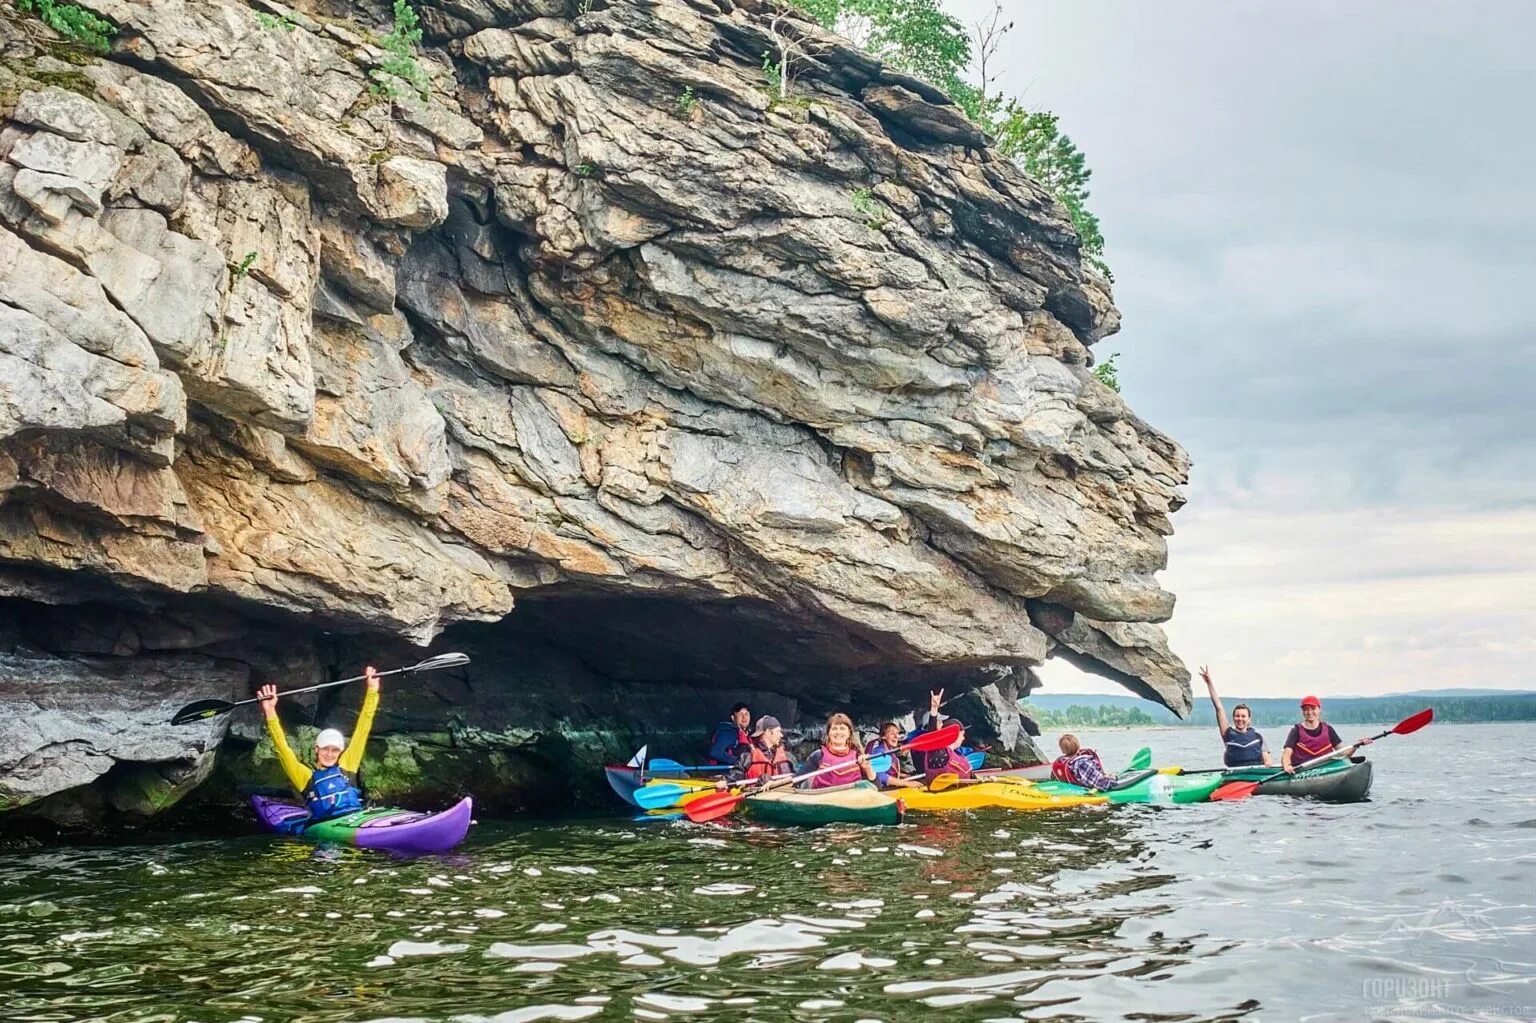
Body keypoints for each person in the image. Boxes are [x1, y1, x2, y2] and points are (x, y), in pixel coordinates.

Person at [257, 666, 380, 827]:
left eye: (334, 750)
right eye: (325, 748)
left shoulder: (348, 765)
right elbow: (282, 748)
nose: (329, 754)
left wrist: (372, 691)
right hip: (328, 829)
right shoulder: (305, 777)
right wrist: (270, 711)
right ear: (316, 749)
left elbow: (363, 727)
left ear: (340, 752)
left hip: (357, 819)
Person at [1201, 665, 1273, 767]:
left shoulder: (1258, 737)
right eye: (1237, 716)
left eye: (1243, 716)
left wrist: (1268, 765)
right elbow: (1219, 709)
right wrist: (1209, 683)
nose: (1240, 719)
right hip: (1235, 774)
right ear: (1234, 718)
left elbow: (1268, 761)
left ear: (1249, 719)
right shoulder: (1228, 734)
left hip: (1255, 775)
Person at [1283, 695, 1371, 773]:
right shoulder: (1296, 731)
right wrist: (1287, 766)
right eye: (1306, 710)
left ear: (1319, 710)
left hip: (1325, 768)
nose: (1309, 712)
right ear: (1302, 712)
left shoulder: (1328, 729)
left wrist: (1356, 745)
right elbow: (1287, 753)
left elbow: (1343, 753)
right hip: (1303, 770)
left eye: (1313, 709)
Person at [798, 713, 877, 789]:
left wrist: (867, 768)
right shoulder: (818, 755)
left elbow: (877, 786)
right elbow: (798, 780)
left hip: (851, 800)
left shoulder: (858, 757)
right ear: (829, 733)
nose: (838, 732)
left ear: (849, 733)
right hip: (824, 800)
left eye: (842, 728)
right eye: (834, 728)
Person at [918, 690, 975, 783]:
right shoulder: (939, 753)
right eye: (962, 735)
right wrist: (934, 709)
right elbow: (932, 736)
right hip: (942, 794)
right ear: (954, 735)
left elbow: (971, 777)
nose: (963, 738)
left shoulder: (957, 754)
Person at [724, 715, 795, 785]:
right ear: (768, 732)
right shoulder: (748, 756)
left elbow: (798, 777)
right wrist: (726, 781)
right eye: (778, 731)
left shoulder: (788, 757)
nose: (781, 735)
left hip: (783, 794)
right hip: (756, 795)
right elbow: (734, 776)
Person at [864, 721, 923, 790]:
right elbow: (880, 776)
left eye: (897, 733)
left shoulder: (889, 750)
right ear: (883, 736)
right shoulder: (880, 752)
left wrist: (903, 775)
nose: (896, 737)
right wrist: (906, 783)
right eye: (892, 733)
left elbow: (887, 770)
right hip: (881, 790)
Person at [1052, 733, 1116, 791]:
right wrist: (1112, 778)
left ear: (1062, 750)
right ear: (1078, 747)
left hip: (1071, 791)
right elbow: (1101, 784)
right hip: (1087, 792)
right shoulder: (1082, 763)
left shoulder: (1061, 762)